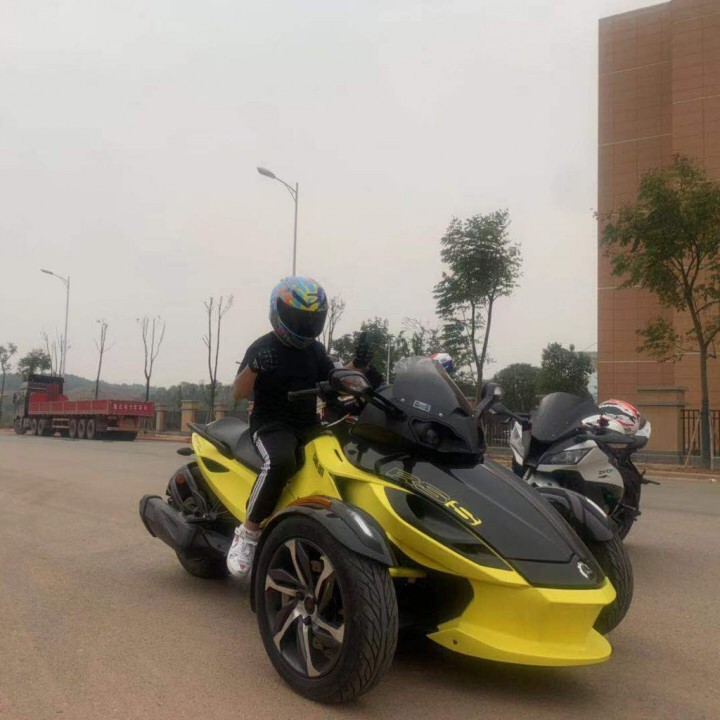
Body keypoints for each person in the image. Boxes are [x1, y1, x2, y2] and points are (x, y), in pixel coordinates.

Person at [226, 276, 372, 577]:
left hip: (308, 423)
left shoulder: (315, 350)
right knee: (281, 461)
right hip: (271, 424)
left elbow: (335, 379)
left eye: (311, 320)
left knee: (347, 453)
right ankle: (248, 533)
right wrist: (254, 367)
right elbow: (238, 393)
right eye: (299, 319)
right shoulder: (263, 346)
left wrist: (358, 366)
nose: (305, 326)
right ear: (278, 312)